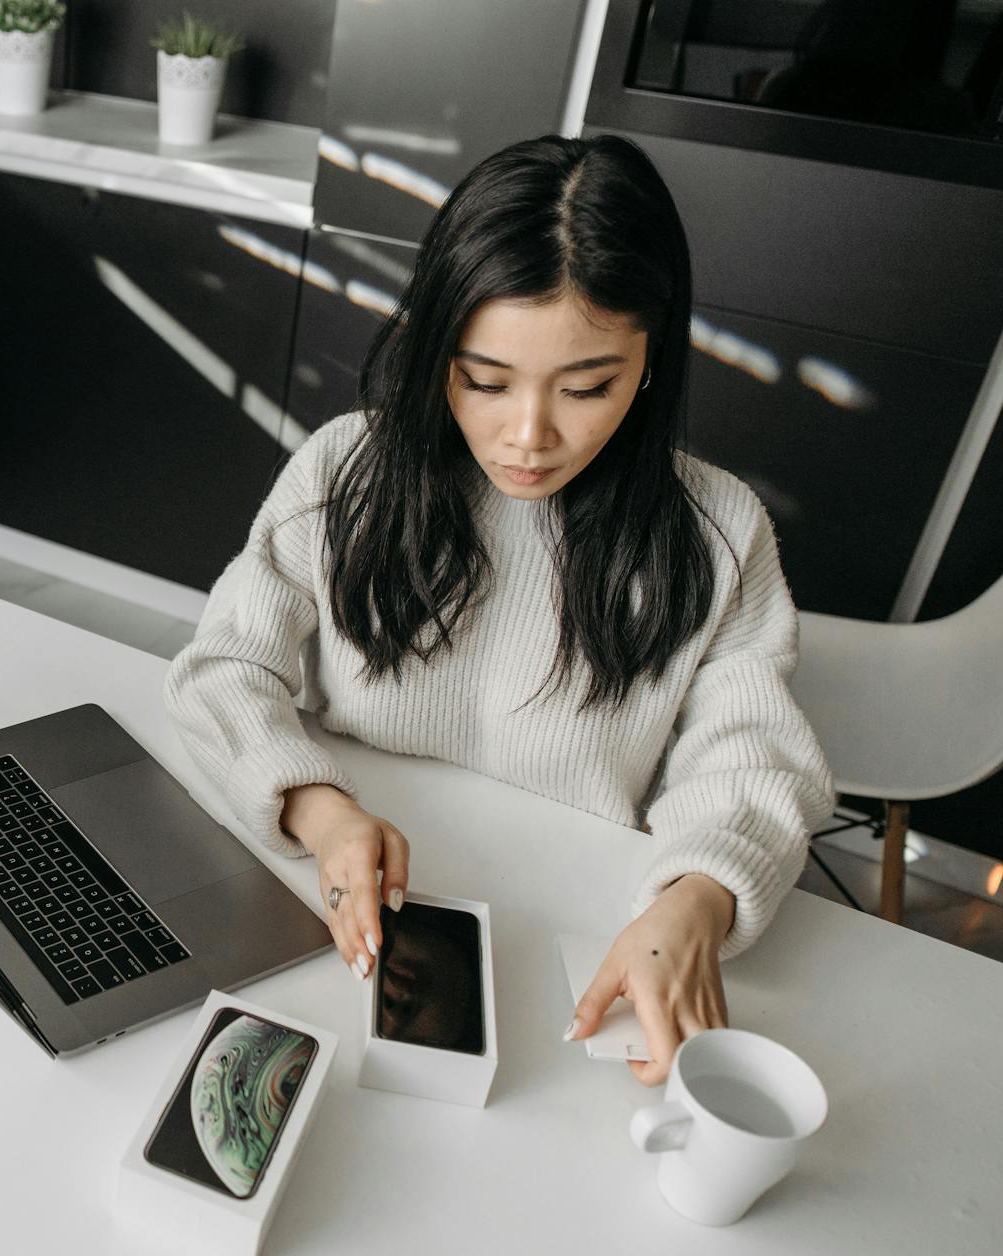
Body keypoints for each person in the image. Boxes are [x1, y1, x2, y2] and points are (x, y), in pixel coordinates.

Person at [164, 133, 835, 1084]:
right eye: (484, 379)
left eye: (588, 386)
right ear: (436, 345)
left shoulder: (720, 533)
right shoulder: (346, 469)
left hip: (571, 949)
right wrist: (318, 809)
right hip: (318, 914)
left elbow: (751, 755)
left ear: (651, 364)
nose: (529, 436)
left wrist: (698, 896)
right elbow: (224, 669)